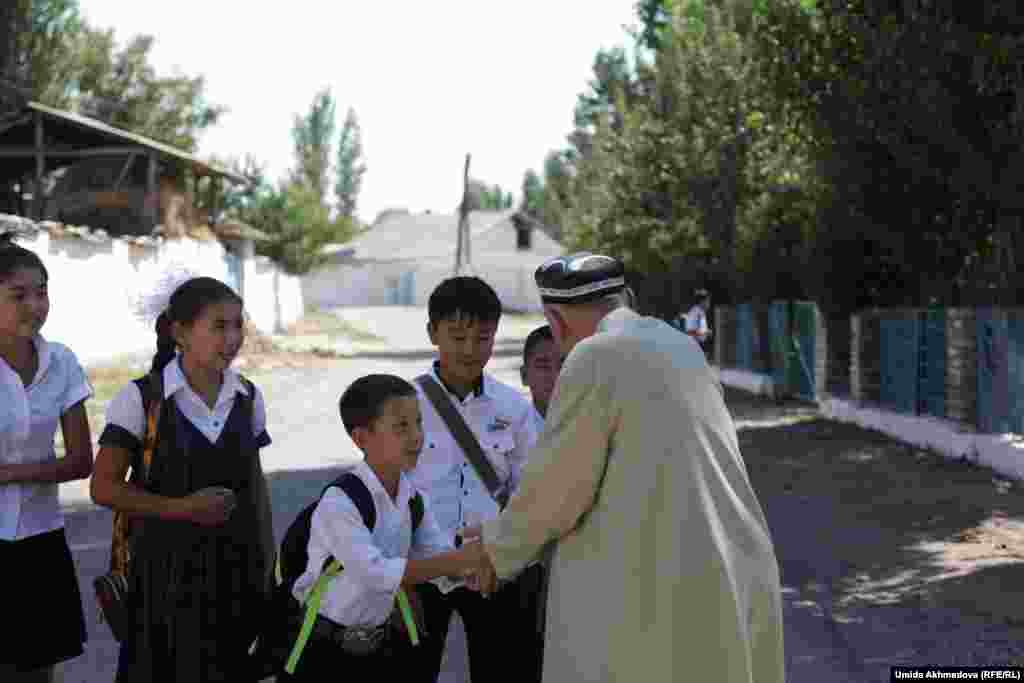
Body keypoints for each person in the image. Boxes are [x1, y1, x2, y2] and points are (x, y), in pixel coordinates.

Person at [458, 253, 786, 683]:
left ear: (555, 322)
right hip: (730, 571)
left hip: (652, 588)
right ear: (626, 299)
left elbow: (558, 490)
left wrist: (495, 550)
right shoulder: (680, 346)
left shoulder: (595, 355)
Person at [91, 276, 275, 683]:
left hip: (237, 580)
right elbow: (103, 487)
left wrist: (267, 573)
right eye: (218, 326)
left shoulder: (248, 398)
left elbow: (256, 492)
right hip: (163, 582)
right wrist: (182, 509)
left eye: (237, 325)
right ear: (180, 332)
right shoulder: (142, 399)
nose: (232, 338)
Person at [280, 374, 482, 681]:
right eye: (401, 426)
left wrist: (474, 565)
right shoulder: (340, 503)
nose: (417, 436)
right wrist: (458, 560)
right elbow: (375, 573)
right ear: (362, 439)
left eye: (418, 423)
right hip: (322, 649)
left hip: (378, 645)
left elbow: (437, 554)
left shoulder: (413, 497)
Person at [407, 276, 542, 683]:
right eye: (457, 336)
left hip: (493, 567)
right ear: (433, 332)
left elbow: (531, 490)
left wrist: (506, 549)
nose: (470, 350)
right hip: (424, 568)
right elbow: (385, 488)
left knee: (502, 671)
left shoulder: (513, 410)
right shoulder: (403, 404)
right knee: (412, 670)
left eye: (482, 339)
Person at [0, 234, 94, 682]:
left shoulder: (62, 362)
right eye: (19, 295)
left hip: (41, 541)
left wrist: (6, 474)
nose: (34, 305)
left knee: (39, 672)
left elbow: (81, 461)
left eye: (42, 292)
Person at [519, 324, 562, 432]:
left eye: (564, 366)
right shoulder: (512, 431)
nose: (555, 376)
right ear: (525, 376)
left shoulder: (597, 429)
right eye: (543, 366)